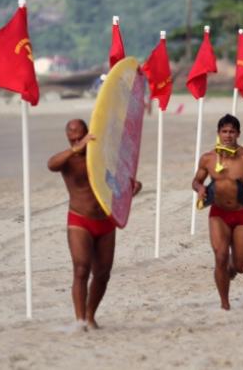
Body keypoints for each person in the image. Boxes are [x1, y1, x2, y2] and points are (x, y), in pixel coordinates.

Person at [48, 119, 142, 330]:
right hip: (80, 219)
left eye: (80, 135)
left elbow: (120, 182)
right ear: (68, 137)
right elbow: (51, 164)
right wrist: (75, 149)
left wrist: (132, 188)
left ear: (88, 133)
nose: (77, 138)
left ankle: (90, 316)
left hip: (106, 220)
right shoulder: (68, 159)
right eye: (73, 136)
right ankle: (80, 320)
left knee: (103, 273)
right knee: (81, 268)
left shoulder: (103, 156)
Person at [192, 114, 243, 310]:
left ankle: (231, 270)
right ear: (218, 133)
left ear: (238, 134)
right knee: (220, 256)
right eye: (224, 131)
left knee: (240, 266)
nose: (228, 135)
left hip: (241, 214)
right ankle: (224, 303)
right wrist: (200, 189)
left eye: (232, 132)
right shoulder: (208, 159)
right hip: (218, 214)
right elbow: (196, 180)